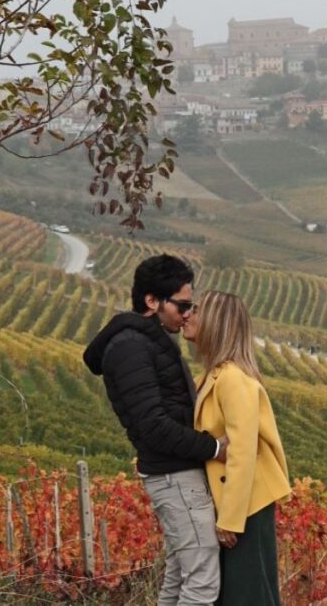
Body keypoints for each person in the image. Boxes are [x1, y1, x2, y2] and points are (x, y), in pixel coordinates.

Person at [83, 254, 227, 605]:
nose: (188, 314)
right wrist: (214, 448)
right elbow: (153, 426)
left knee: (179, 574)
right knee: (202, 580)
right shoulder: (132, 347)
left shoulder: (147, 341)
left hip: (175, 473)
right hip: (174, 476)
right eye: (182, 305)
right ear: (152, 301)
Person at [183, 291, 290, 606]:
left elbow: (242, 453)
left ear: (216, 322)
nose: (187, 314)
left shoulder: (233, 379)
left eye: (196, 310)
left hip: (245, 508)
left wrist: (230, 519)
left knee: (247, 596)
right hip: (236, 504)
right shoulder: (212, 376)